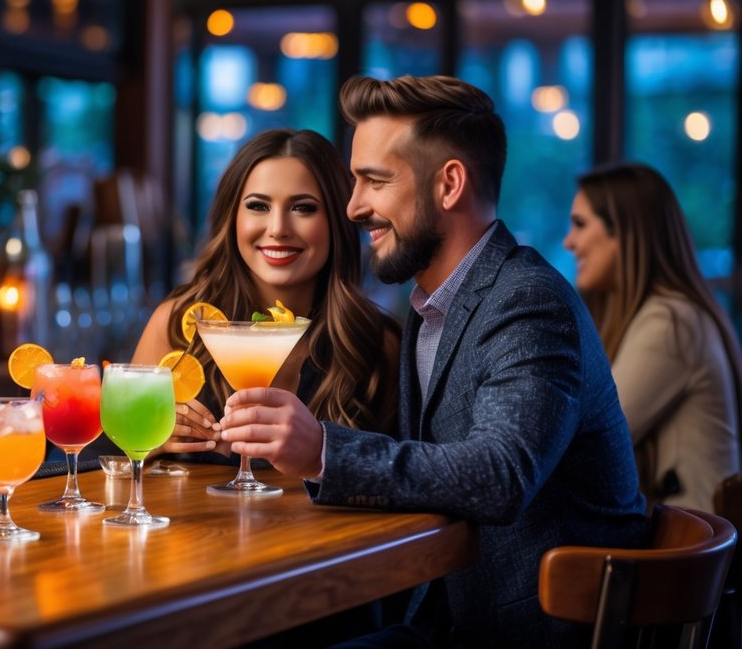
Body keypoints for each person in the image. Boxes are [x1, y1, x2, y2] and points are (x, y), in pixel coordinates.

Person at [219, 76, 648, 647]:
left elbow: (499, 476)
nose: (353, 207)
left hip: (527, 632)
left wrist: (322, 449)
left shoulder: (527, 301)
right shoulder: (430, 307)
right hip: (446, 616)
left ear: (449, 184)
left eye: (375, 181)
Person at [131, 128, 399, 465]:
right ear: (233, 219)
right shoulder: (178, 325)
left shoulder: (375, 346)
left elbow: (394, 476)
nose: (277, 228)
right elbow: (110, 466)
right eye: (258, 205)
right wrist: (151, 443)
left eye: (303, 208)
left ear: (335, 221)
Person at [564, 163, 742, 512]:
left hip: (689, 552)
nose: (569, 241)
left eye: (580, 224)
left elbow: (592, 443)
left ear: (627, 234)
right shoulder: (664, 315)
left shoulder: (671, 322)